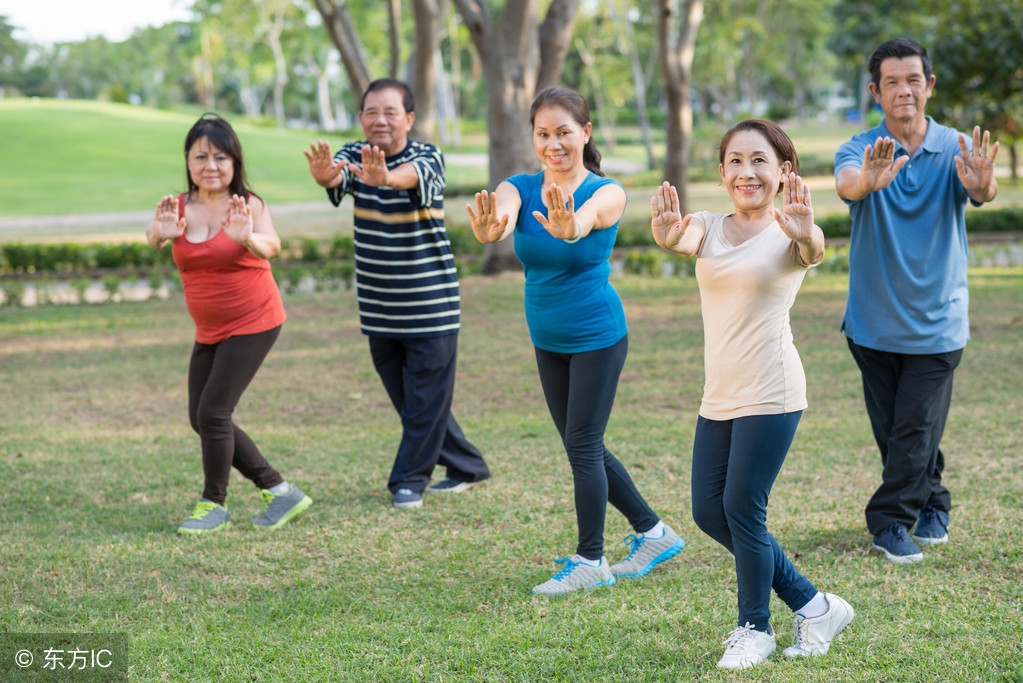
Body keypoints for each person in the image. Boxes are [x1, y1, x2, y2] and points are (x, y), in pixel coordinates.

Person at [651, 120, 853, 669]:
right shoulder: (710, 226)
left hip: (773, 389)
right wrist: (665, 233)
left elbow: (813, 249)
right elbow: (678, 237)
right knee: (708, 512)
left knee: (742, 507)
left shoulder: (790, 230)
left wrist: (807, 229)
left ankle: (755, 627)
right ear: (722, 173)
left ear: (784, 171)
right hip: (720, 391)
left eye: (760, 160)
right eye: (736, 161)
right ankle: (815, 605)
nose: (747, 172)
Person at [467, 87, 684, 596]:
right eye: (543, 134)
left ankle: (591, 560)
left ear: (586, 132)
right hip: (547, 338)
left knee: (582, 444)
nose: (553, 144)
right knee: (580, 443)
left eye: (564, 132)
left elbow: (587, 220)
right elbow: (500, 218)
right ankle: (655, 534)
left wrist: (571, 227)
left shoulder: (606, 191)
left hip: (597, 336)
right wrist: (491, 229)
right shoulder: (518, 186)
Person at [834, 38, 999, 564]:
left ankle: (889, 521)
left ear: (929, 86)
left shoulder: (955, 149)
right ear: (875, 92)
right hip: (873, 322)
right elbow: (847, 185)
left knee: (914, 426)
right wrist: (869, 180)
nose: (903, 90)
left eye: (913, 80)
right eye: (891, 82)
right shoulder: (859, 149)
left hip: (937, 321)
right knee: (898, 431)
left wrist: (983, 187)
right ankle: (934, 503)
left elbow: (979, 190)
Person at [304, 78, 491, 510]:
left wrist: (385, 178)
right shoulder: (354, 154)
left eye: (390, 112)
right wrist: (324, 176)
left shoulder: (428, 156)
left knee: (423, 399)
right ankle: (467, 465)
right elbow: (337, 175)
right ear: (360, 118)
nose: (380, 120)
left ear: (408, 118)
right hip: (379, 309)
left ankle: (408, 480)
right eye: (372, 112)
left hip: (430, 307)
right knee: (413, 403)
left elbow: (411, 178)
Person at [147, 113, 313, 535]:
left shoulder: (248, 205)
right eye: (201, 156)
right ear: (187, 160)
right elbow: (154, 235)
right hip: (210, 328)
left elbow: (272, 246)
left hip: (254, 319)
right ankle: (279, 491)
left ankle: (213, 504)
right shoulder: (179, 207)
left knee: (214, 412)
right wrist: (159, 234)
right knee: (200, 416)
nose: (211, 165)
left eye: (220, 157)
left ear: (235, 162)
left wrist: (246, 239)